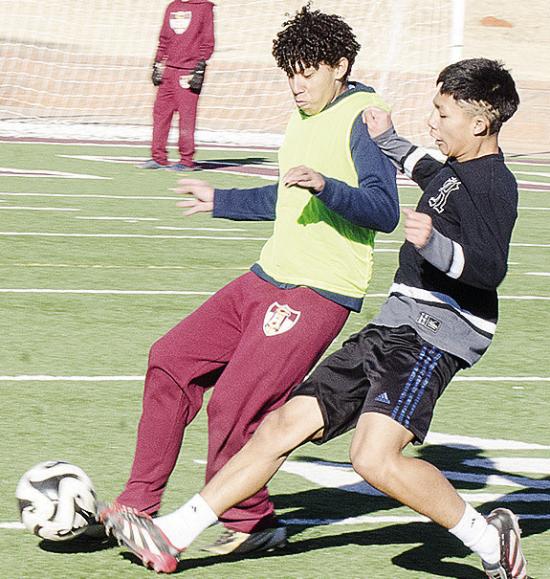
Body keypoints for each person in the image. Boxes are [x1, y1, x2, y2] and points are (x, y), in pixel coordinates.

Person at [99, 58, 528, 579]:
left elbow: (489, 269)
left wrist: (433, 244)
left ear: (479, 122)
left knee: (373, 459)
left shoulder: (495, 184)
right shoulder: (455, 172)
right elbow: (424, 169)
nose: (432, 121)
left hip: (433, 336)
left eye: (441, 112)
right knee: (280, 425)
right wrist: (389, 140)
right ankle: (173, 535)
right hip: (393, 326)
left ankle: (490, 539)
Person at [99, 4, 399, 564]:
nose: (296, 84)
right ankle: (138, 505)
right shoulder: (303, 116)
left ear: (340, 65)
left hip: (317, 291)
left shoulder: (365, 116)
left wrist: (328, 185)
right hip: (266, 276)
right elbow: (286, 198)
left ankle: (250, 520)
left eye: (307, 72)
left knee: (235, 403)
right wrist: (221, 201)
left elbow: (384, 210)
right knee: (170, 358)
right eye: (290, 72)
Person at [140, 0, 215, 172]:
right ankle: (158, 157)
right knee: (160, 113)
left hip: (188, 71)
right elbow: (164, 39)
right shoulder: (172, 7)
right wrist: (158, 62)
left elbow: (208, 40)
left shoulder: (204, 8)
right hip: (169, 71)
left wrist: (199, 67)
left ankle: (186, 160)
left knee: (186, 117)